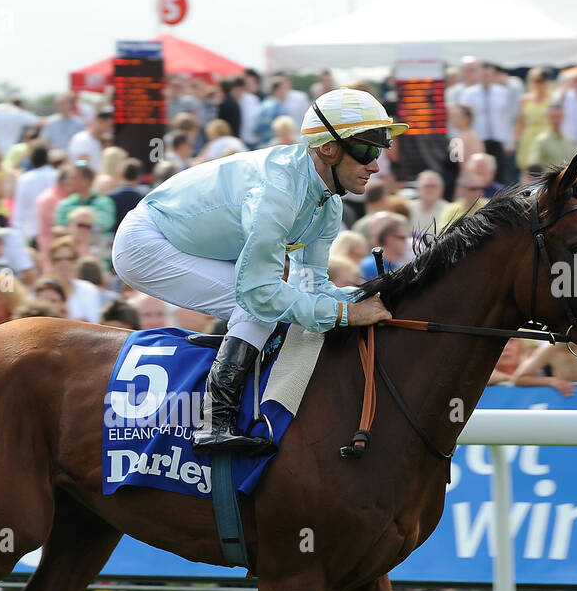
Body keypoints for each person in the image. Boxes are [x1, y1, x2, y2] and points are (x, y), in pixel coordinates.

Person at [111, 87, 401, 453]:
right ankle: (213, 420)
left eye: (380, 150)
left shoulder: (328, 205)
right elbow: (260, 294)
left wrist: (364, 297)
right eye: (366, 150)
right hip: (146, 243)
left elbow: (311, 286)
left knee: (278, 302)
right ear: (327, 147)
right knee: (259, 306)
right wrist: (347, 313)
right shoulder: (277, 194)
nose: (375, 164)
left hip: (188, 240)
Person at [67, 108, 113, 172]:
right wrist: (84, 164)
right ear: (100, 121)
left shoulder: (96, 140)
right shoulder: (82, 139)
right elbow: (79, 163)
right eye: (108, 126)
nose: (109, 129)